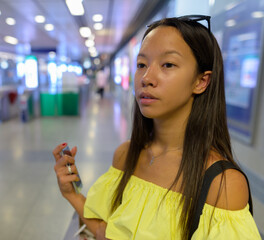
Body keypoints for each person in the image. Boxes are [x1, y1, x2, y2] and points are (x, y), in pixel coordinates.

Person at [53, 15, 261, 239]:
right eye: (141, 64)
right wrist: (71, 194)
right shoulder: (126, 156)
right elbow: (108, 232)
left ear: (201, 81)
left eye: (168, 64)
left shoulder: (222, 183)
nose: (146, 77)